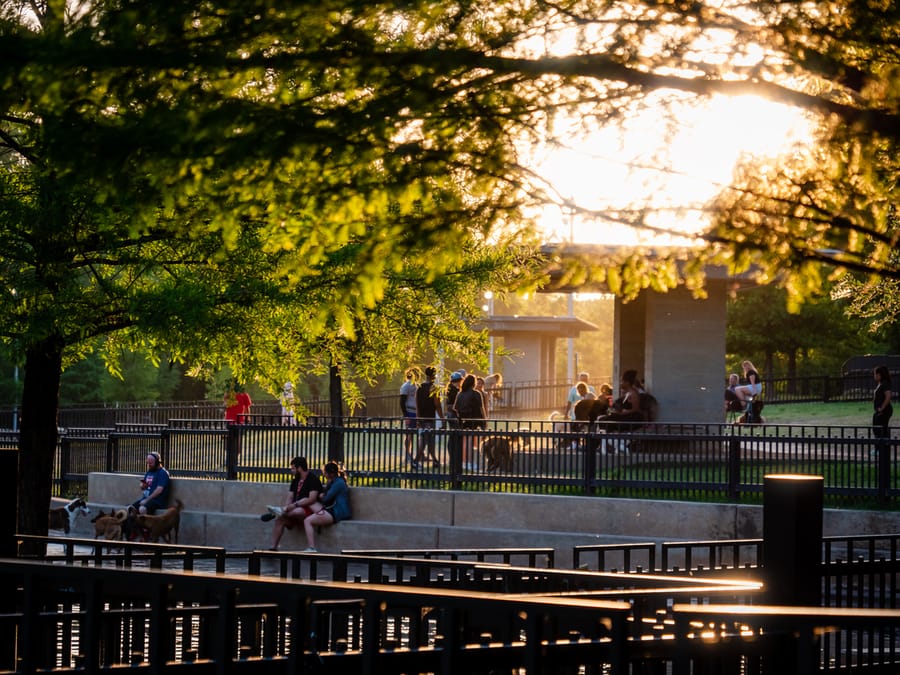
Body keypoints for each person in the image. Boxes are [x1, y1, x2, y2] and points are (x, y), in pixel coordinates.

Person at [264, 456, 323, 551]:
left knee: (298, 511)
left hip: (309, 510)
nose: (291, 470)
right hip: (293, 510)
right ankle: (273, 547)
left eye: (293, 468)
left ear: (299, 468)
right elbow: (290, 497)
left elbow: (312, 499)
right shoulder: (295, 480)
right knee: (280, 520)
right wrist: (287, 506)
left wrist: (291, 507)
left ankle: (280, 512)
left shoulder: (313, 479)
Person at [302, 461, 352, 552]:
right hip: (331, 509)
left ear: (331, 473)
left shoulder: (338, 483)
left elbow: (326, 499)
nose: (324, 474)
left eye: (325, 472)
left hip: (338, 512)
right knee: (310, 502)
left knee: (307, 521)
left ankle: (311, 547)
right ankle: (315, 514)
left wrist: (321, 496)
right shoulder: (333, 481)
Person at [453, 374, 487, 470]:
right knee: (471, 443)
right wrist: (484, 421)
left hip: (463, 420)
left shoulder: (460, 394)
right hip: (474, 420)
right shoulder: (476, 394)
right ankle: (471, 462)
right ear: (474, 383)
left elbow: (455, 408)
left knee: (465, 442)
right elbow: (482, 408)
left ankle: (464, 462)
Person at [413, 366, 444, 467]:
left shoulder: (419, 387)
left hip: (421, 417)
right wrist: (442, 419)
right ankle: (416, 461)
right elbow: (437, 405)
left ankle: (435, 460)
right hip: (429, 418)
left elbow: (417, 405)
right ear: (434, 376)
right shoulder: (433, 388)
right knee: (425, 440)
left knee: (429, 440)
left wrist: (418, 419)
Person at [399, 368, 419, 464]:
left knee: (414, 434)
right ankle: (407, 453)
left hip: (415, 413)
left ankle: (416, 453)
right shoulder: (406, 386)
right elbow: (402, 401)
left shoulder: (416, 385)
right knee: (409, 434)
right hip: (409, 412)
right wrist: (406, 415)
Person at [873, 365, 893, 443]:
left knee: (881, 430)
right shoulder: (880, 384)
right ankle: (879, 448)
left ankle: (883, 449)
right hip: (879, 411)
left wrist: (882, 408)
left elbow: (888, 396)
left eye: (875, 374)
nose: (874, 376)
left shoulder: (885, 383)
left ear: (879, 375)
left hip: (884, 411)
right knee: (876, 429)